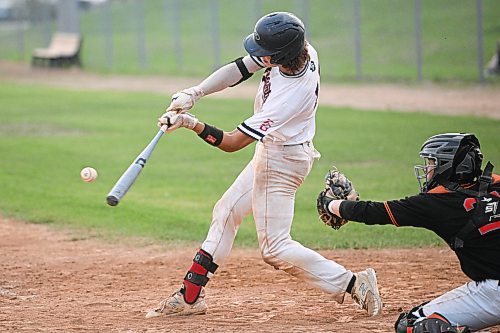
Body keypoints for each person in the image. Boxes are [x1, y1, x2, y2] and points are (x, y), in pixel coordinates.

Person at [145, 12, 382, 318]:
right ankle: (189, 298)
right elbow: (242, 67)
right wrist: (195, 92)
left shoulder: (289, 96)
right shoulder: (302, 50)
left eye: (264, 52)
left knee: (275, 249)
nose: (258, 56)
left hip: (282, 162)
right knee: (226, 211)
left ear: (280, 56)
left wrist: (190, 123)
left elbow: (232, 142)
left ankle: (354, 283)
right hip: (276, 151)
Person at [318, 133, 500, 333]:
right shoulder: (496, 184)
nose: (428, 169)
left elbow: (374, 212)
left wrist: (330, 204)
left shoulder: (436, 204)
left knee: (412, 324)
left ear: (448, 167)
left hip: (493, 295)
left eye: (432, 163)